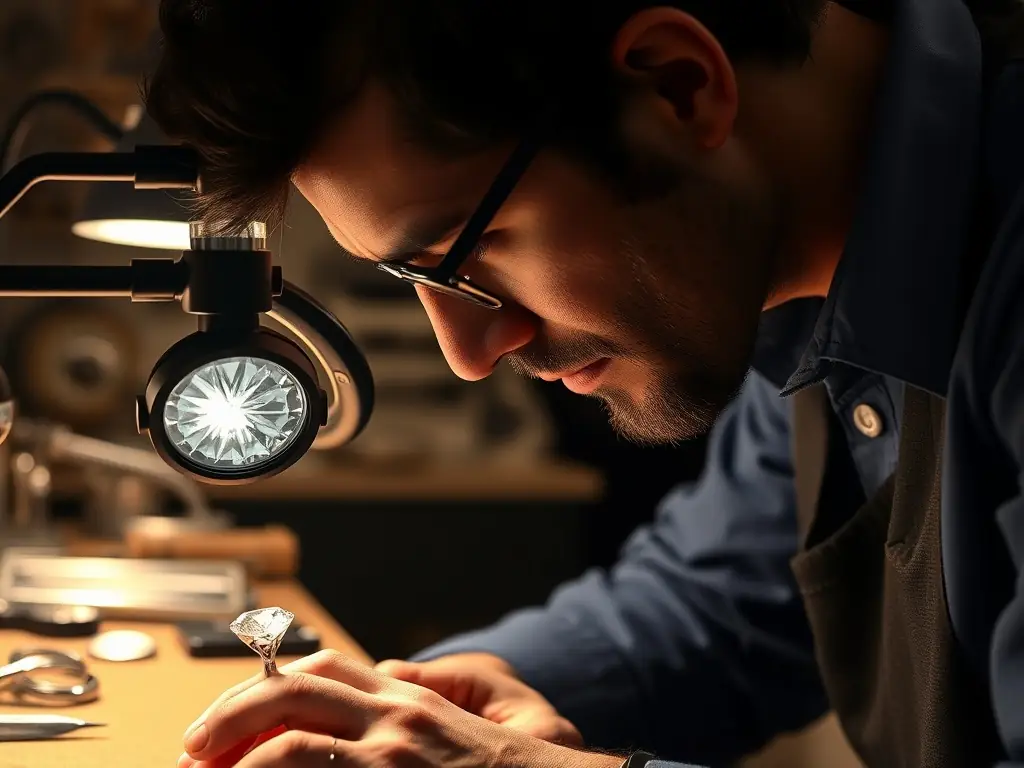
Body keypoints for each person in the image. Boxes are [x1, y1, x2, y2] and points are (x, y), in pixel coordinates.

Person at [148, 0, 1024, 766]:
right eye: (407, 281)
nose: (470, 351)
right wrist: (437, 703)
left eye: (462, 254)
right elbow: (719, 606)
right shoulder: (792, 274)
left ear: (678, 86)